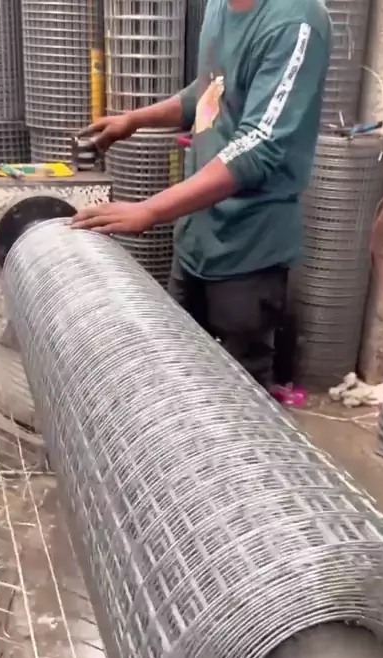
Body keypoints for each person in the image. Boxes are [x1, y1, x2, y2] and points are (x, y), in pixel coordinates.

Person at [71, 0, 331, 389]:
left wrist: (151, 209)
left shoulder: (295, 22)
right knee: (178, 376)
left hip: (247, 250)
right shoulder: (219, 6)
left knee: (238, 396)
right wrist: (135, 120)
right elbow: (211, 91)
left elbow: (259, 147)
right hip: (196, 238)